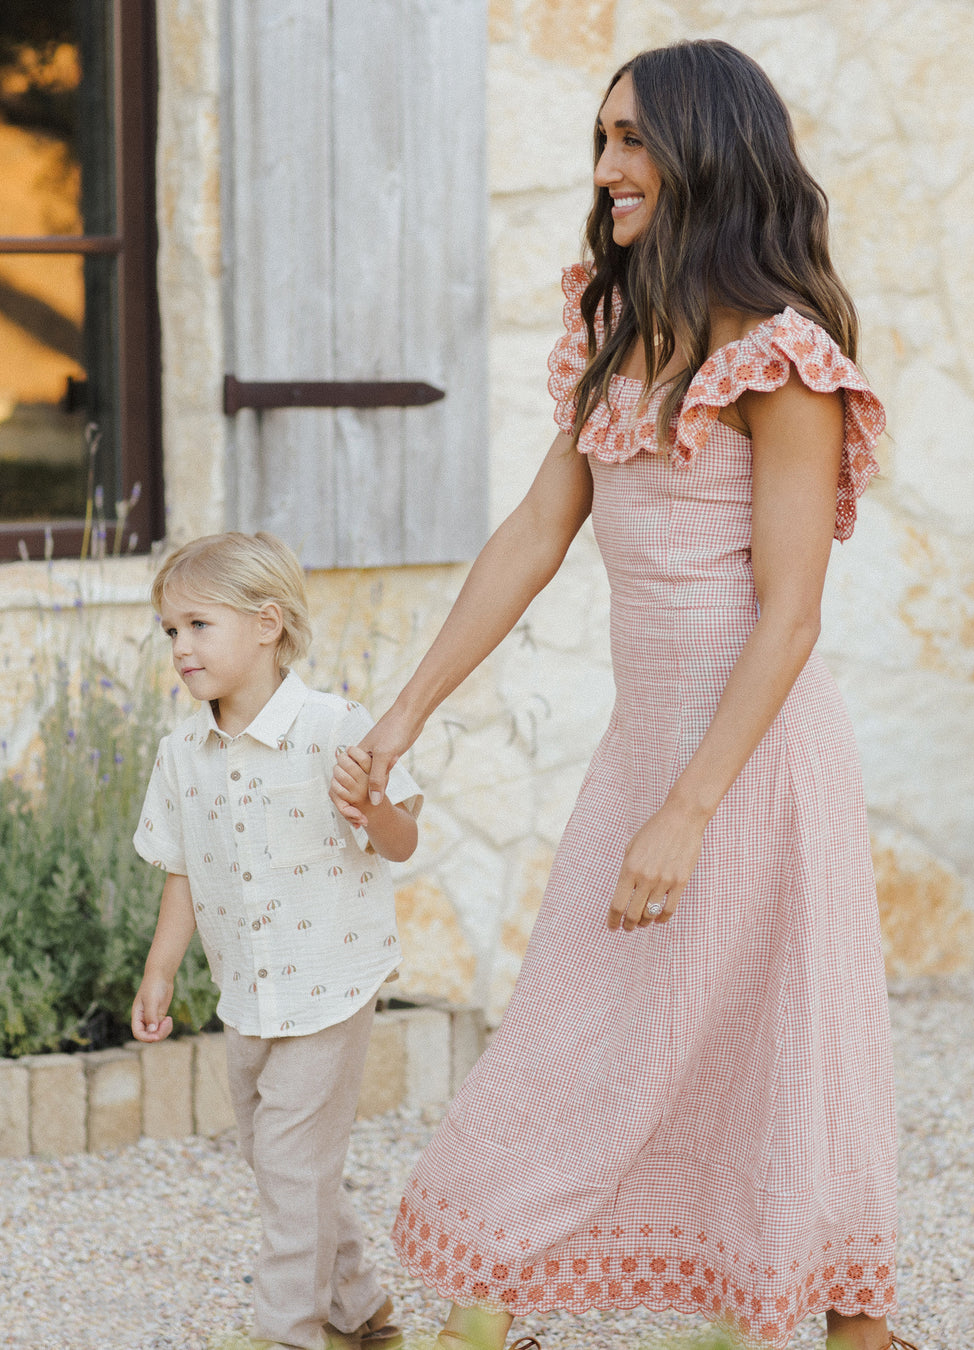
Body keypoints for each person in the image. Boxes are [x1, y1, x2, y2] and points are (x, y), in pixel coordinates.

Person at [333, 39, 913, 1350]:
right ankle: (510, 1295)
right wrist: (404, 712)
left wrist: (689, 810)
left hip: (751, 756)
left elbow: (794, 612)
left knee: (781, 1036)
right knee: (576, 1022)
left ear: (711, 148)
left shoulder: (785, 358)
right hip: (642, 749)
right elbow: (536, 533)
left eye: (632, 141)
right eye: (601, 141)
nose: (605, 172)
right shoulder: (615, 327)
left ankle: (828, 1316)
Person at [130, 531, 422, 1350]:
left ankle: (288, 1331)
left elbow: (401, 841)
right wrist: (160, 970)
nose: (181, 648)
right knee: (279, 1161)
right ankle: (362, 1308)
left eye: (197, 625)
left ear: (266, 625)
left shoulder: (336, 727)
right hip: (246, 995)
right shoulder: (181, 752)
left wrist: (375, 808)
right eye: (170, 632)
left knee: (291, 1167)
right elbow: (181, 868)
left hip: (331, 988)